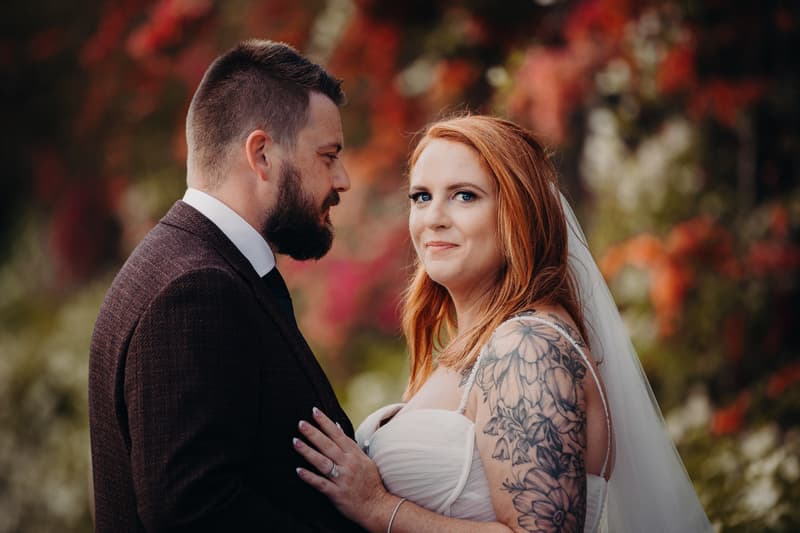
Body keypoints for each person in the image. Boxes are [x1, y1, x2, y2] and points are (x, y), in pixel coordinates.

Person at [292, 115, 712, 532]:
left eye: (465, 196)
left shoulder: (528, 346)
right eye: (421, 197)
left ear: (519, 211)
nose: (433, 216)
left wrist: (378, 507)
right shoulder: (478, 346)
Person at [88, 39, 365, 532]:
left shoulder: (195, 265)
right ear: (261, 154)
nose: (342, 180)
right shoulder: (195, 290)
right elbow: (195, 513)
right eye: (328, 156)